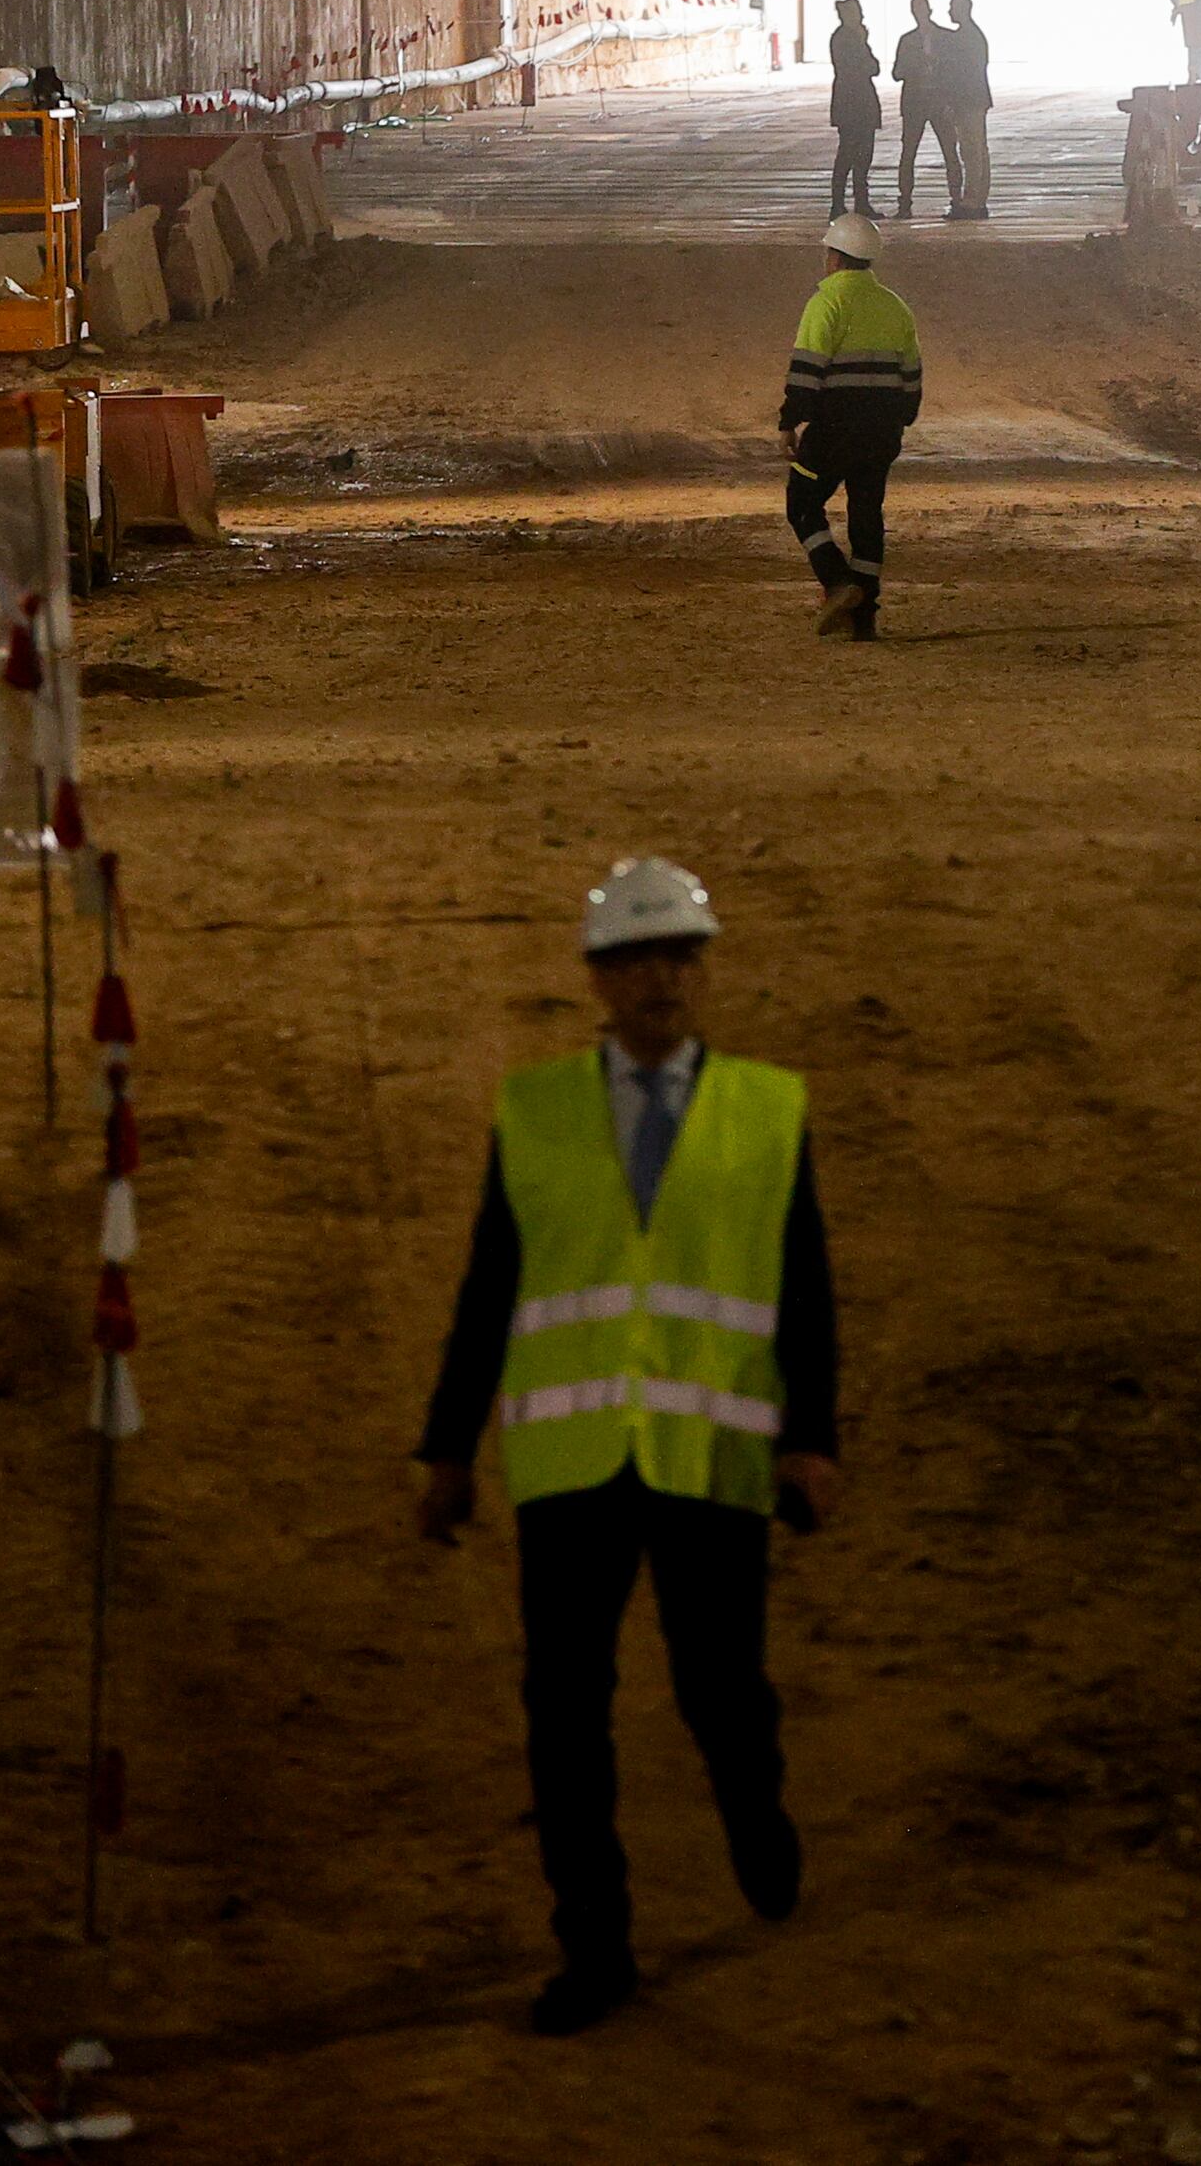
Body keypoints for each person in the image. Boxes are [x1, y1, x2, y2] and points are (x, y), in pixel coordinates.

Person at [416, 856, 841, 2039]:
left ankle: (753, 1810)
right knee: (564, 1715)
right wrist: (448, 1449)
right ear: (598, 979)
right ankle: (593, 1945)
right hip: (572, 1462)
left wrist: (810, 1439)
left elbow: (804, 1287)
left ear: (703, 972)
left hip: (712, 1453)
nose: (664, 979)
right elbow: (490, 1286)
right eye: (640, 959)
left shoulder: (769, 1111)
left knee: (722, 1690)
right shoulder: (534, 1112)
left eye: (681, 956)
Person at [782, 211, 922, 638]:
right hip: (881, 434)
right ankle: (863, 618)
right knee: (866, 515)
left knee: (802, 502)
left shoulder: (826, 303)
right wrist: (900, 419)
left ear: (836, 258)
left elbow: (806, 374)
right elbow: (911, 376)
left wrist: (790, 421)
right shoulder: (895, 306)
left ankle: (837, 581)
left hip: (834, 431)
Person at [937, 0, 995, 222]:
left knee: (972, 152)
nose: (949, 12)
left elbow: (961, 75)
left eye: (952, 8)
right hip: (975, 100)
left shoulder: (964, 38)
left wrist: (952, 102)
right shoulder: (973, 35)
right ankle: (977, 200)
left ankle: (972, 202)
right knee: (977, 151)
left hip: (968, 102)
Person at [822, 0, 880, 219]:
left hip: (857, 103)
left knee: (861, 156)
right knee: (848, 155)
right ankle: (840, 203)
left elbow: (873, 67)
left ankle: (858, 202)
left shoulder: (848, 37)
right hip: (852, 103)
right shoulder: (846, 39)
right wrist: (863, 42)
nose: (862, 17)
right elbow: (866, 67)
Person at [887, 0, 944, 219]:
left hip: (936, 102)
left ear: (929, 10)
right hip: (916, 103)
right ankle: (905, 203)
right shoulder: (908, 40)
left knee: (948, 151)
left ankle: (956, 200)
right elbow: (897, 72)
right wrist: (915, 66)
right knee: (909, 153)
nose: (918, 14)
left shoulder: (943, 38)